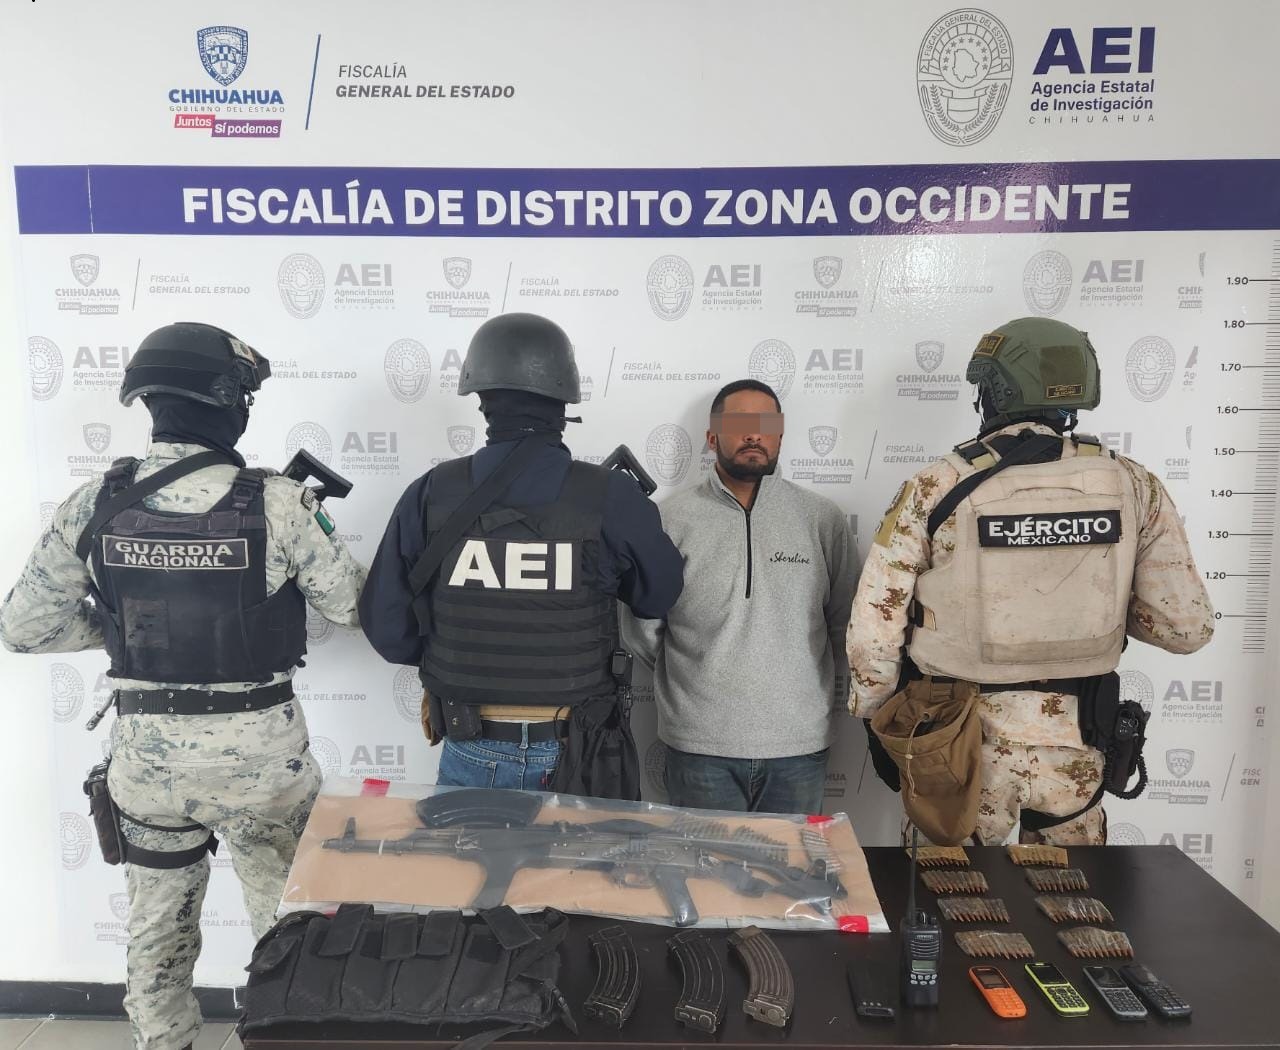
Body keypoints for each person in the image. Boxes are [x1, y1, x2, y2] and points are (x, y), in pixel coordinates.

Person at [0, 322, 366, 1050]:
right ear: (229, 400)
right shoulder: (280, 503)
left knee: (156, 936)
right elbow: (352, 607)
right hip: (264, 768)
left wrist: (127, 630)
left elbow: (23, 628)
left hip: (148, 767)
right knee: (289, 936)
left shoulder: (95, 503)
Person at [847, 317, 1214, 845]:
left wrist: (878, 717)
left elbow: (874, 629)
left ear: (995, 392)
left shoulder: (937, 485)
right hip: (1077, 745)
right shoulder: (1134, 485)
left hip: (956, 748)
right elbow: (1185, 628)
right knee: (1073, 893)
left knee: (949, 891)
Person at [360, 312, 683, 795]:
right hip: (578, 752)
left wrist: (458, 658)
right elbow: (659, 597)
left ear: (482, 399)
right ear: (564, 402)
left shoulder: (431, 492)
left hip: (471, 744)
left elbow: (387, 628)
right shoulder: (611, 496)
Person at [624, 379, 858, 814]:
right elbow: (644, 630)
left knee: (789, 860)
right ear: (712, 436)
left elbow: (844, 623)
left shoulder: (821, 519)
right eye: (738, 423)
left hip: (798, 746)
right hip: (699, 746)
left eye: (765, 424)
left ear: (780, 435)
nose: (753, 434)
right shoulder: (669, 520)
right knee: (705, 861)